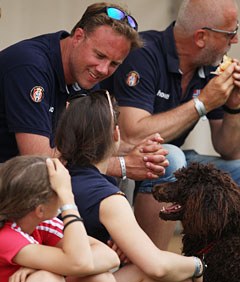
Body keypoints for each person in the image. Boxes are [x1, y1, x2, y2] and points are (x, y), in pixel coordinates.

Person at [101, 0, 240, 249]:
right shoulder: (143, 53)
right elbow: (132, 135)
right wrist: (202, 104)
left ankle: (219, 269)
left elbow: (228, 149)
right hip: (125, 159)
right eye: (231, 33)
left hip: (175, 163)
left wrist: (233, 106)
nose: (235, 41)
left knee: (236, 170)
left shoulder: (211, 68)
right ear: (201, 37)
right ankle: (149, 268)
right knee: (171, 157)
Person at [55, 90, 205, 282]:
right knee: (173, 279)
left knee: (172, 278)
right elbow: (156, 265)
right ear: (116, 135)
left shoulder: (55, 176)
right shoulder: (107, 197)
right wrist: (197, 266)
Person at [0, 2, 168, 182]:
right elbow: (41, 164)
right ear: (78, 37)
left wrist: (141, 153)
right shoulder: (30, 66)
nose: (103, 70)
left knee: (164, 159)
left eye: (114, 64)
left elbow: (90, 147)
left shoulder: (85, 75)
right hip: (14, 177)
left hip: (27, 180)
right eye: (100, 55)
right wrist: (122, 166)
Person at [0, 155, 120, 282]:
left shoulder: (40, 223)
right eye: (59, 192)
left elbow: (109, 256)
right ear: (40, 210)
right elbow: (79, 263)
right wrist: (68, 201)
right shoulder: (6, 236)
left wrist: (44, 266)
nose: (67, 194)